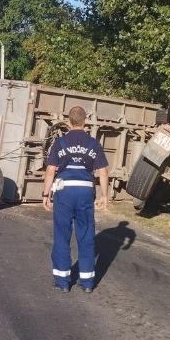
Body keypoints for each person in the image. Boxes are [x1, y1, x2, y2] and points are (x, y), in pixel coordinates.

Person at [42, 106, 109, 293]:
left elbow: (50, 171)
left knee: (62, 235)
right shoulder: (93, 144)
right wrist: (104, 196)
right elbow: (103, 172)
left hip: (64, 192)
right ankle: (87, 283)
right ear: (85, 122)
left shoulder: (60, 143)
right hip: (85, 192)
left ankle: (63, 282)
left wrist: (46, 194)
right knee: (86, 236)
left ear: (68, 122)